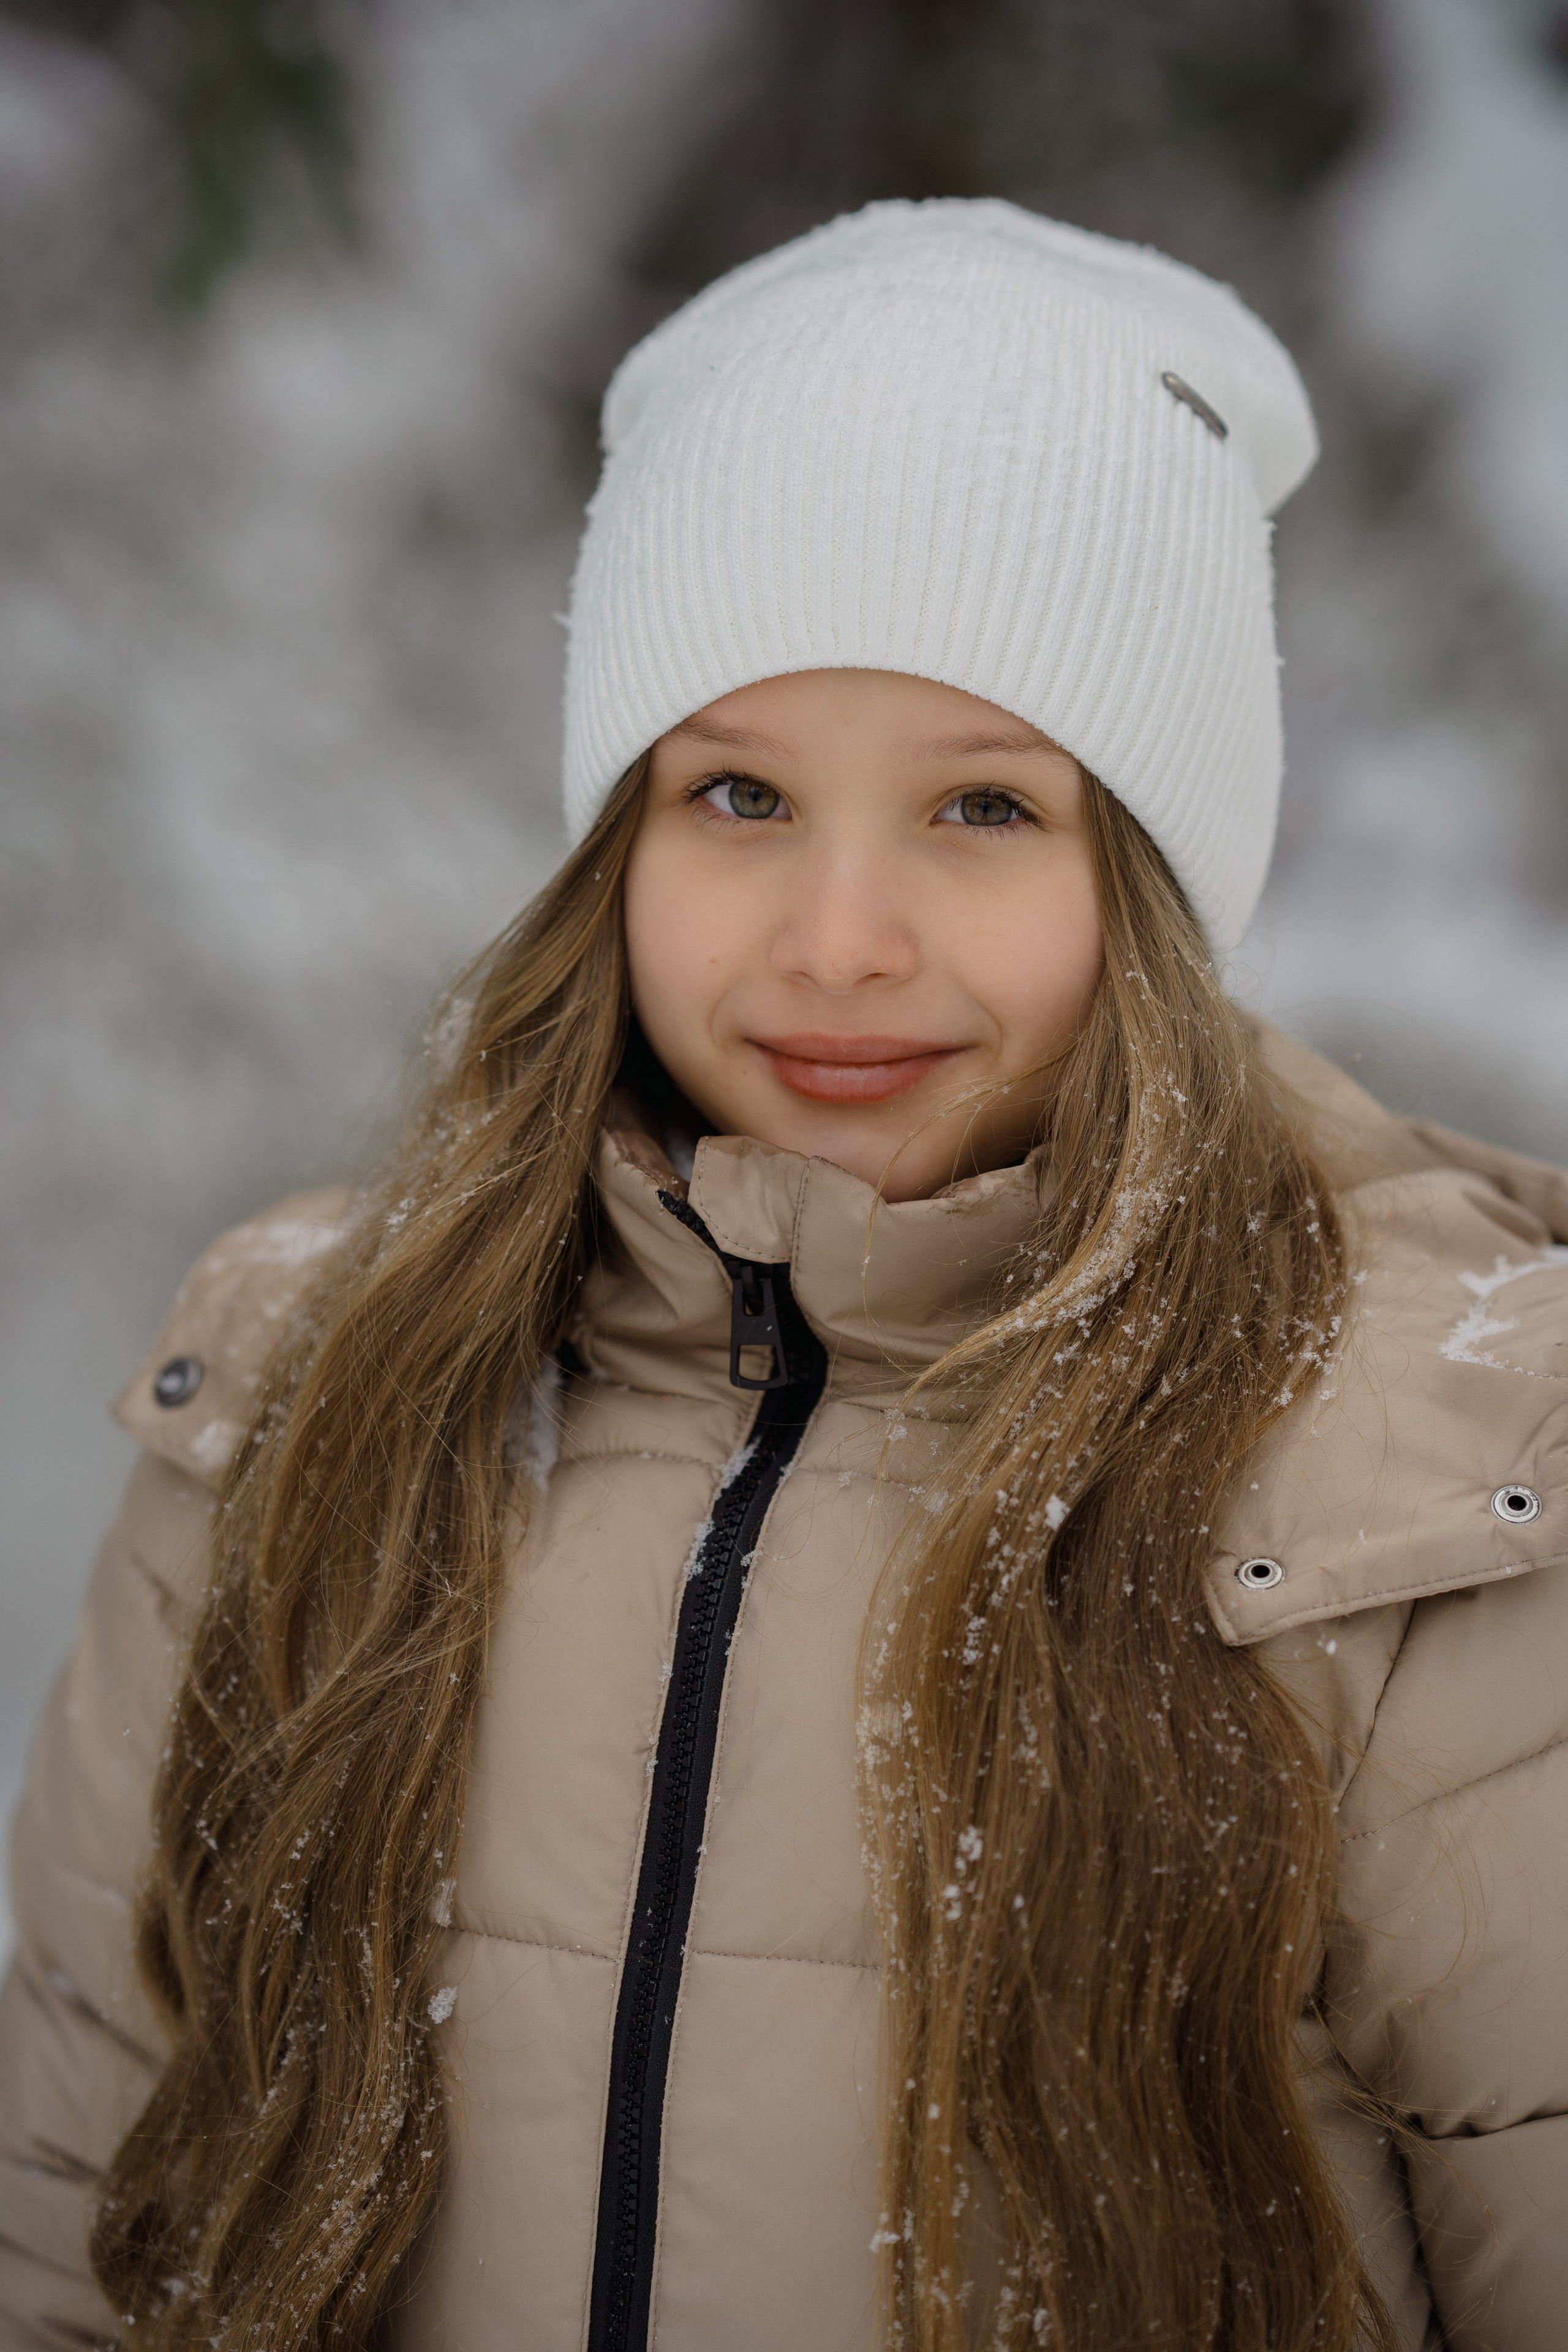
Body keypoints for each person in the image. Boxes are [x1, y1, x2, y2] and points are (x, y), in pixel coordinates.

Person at [1, 199, 1565, 2352]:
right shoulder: (295, 1402)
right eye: (736, 791)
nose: (839, 937)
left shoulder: (1428, 1489)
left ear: (1158, 877)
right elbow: (74, 2225)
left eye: (984, 810)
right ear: (611, 849)